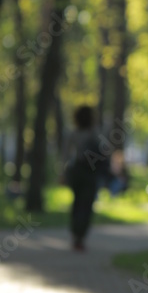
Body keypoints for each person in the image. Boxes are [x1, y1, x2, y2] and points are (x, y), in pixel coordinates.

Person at [63, 105, 105, 251]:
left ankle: (76, 233)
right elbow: (104, 151)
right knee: (86, 205)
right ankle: (80, 236)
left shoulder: (73, 134)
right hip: (89, 173)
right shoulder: (94, 133)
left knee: (77, 202)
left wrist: (63, 173)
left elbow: (66, 155)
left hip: (76, 171)